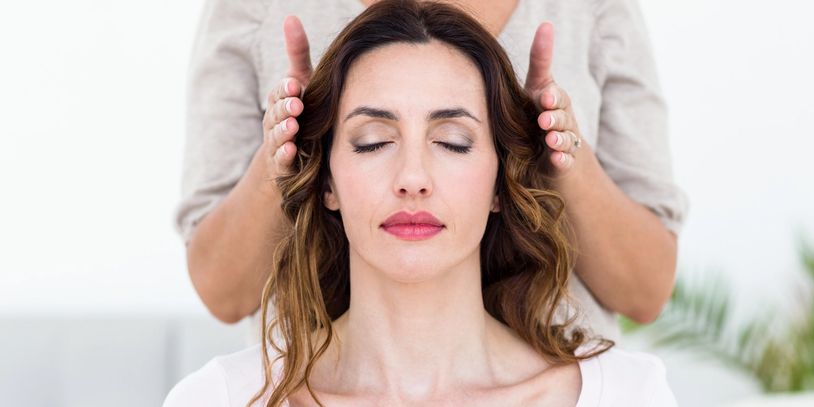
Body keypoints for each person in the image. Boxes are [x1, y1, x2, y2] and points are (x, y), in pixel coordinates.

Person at [165, 2, 678, 405]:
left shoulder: (630, 394)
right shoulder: (218, 397)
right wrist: (283, 153)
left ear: (502, 181)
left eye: (454, 142)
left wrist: (558, 151)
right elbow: (222, 287)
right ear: (326, 179)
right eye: (371, 142)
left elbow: (647, 287)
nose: (413, 179)